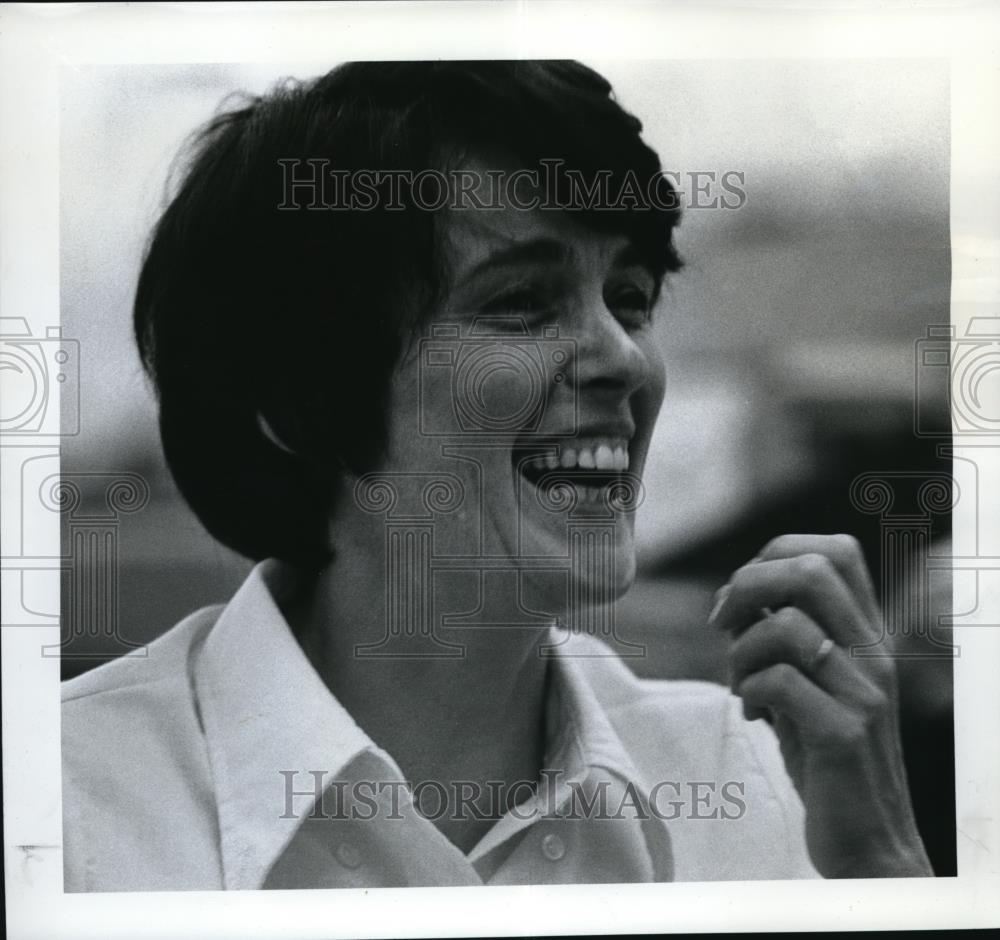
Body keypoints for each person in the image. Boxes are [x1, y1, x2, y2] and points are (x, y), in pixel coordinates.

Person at [61, 60, 932, 890]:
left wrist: (883, 867)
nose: (625, 358)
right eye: (520, 303)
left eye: (629, 299)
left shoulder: (739, 766)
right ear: (297, 404)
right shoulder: (65, 804)